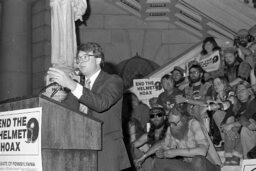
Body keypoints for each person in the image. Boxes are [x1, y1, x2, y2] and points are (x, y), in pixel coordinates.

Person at [47, 42, 130, 171]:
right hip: (81, 149)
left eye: (85, 57)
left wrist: (72, 84)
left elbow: (101, 104)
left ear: (98, 60)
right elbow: (63, 111)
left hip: (106, 150)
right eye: (78, 59)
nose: (80, 62)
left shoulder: (113, 81)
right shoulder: (78, 87)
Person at [135, 105, 221, 171]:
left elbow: (202, 151)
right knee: (159, 162)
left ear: (184, 120)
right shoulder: (172, 127)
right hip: (189, 167)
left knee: (197, 159)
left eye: (175, 123)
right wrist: (147, 156)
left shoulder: (194, 124)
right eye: (170, 123)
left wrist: (176, 152)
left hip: (209, 166)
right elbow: (162, 144)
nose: (172, 126)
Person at [209, 76, 242, 165]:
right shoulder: (215, 98)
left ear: (224, 84)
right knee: (217, 114)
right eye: (214, 84)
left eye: (218, 83)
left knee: (228, 124)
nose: (216, 86)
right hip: (226, 127)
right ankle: (235, 155)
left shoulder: (230, 92)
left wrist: (225, 123)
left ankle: (229, 155)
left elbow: (229, 104)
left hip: (237, 119)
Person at [222, 82, 256, 159]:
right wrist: (228, 126)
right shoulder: (236, 104)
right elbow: (223, 123)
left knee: (241, 127)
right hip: (238, 135)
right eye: (237, 91)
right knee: (230, 126)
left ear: (249, 91)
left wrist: (231, 125)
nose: (239, 93)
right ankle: (229, 157)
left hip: (251, 133)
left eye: (242, 90)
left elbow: (247, 120)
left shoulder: (253, 102)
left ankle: (237, 157)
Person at [131, 107, 169, 171]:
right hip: (154, 164)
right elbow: (132, 146)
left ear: (164, 117)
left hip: (169, 163)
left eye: (159, 115)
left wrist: (144, 157)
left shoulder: (170, 131)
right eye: (152, 116)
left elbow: (161, 143)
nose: (155, 118)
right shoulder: (148, 135)